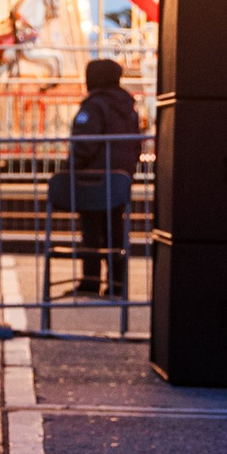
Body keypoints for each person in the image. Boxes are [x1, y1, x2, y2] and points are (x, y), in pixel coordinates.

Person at [68, 57, 143, 296]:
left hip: (93, 178)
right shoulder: (127, 106)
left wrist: (69, 169)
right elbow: (136, 144)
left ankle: (90, 281)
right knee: (115, 230)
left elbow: (84, 144)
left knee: (91, 231)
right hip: (120, 179)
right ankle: (117, 284)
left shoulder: (94, 105)